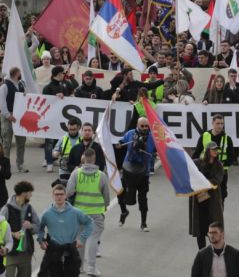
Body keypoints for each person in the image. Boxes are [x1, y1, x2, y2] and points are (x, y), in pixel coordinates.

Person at [66, 148, 110, 276]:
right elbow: (106, 195)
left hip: (79, 212)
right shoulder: (101, 175)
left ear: (83, 158)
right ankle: (91, 267)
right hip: (96, 212)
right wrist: (105, 205)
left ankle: (78, 266)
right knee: (93, 239)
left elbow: (69, 192)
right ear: (94, 159)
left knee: (80, 238)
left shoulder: (76, 173)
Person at [37, 184, 93, 277]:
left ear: (66, 195)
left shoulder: (76, 212)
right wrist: (41, 240)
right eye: (56, 194)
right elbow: (39, 227)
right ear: (53, 196)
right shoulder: (46, 213)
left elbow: (89, 223)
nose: (59, 197)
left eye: (61, 194)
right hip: (53, 252)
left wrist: (82, 238)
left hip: (71, 251)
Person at [117, 116, 156, 231]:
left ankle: (143, 223)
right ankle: (124, 212)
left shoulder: (152, 137)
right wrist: (119, 144)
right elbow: (121, 142)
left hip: (143, 171)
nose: (144, 128)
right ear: (137, 126)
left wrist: (156, 153)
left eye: (146, 126)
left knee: (143, 197)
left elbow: (156, 150)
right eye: (142, 126)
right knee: (121, 193)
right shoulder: (130, 134)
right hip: (128, 169)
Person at [0, 181, 40, 277]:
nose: (31, 195)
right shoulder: (7, 209)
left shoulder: (30, 208)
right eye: (30, 193)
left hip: (26, 254)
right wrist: (13, 234)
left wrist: (31, 226)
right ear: (24, 193)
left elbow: (38, 226)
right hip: (10, 253)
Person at [192, 114, 235, 202]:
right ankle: (204, 215)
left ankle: (219, 214)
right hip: (205, 171)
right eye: (218, 123)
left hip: (221, 172)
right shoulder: (205, 136)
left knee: (221, 196)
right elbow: (197, 153)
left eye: (222, 124)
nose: (220, 126)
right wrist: (192, 167)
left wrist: (223, 164)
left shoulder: (227, 139)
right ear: (212, 123)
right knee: (203, 197)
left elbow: (232, 157)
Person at [189, 143, 224, 250]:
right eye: (213, 149)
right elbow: (188, 169)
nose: (215, 151)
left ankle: (214, 250)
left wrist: (202, 181)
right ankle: (202, 252)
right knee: (200, 228)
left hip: (212, 201)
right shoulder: (197, 163)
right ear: (207, 150)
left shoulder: (218, 165)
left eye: (216, 149)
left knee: (213, 227)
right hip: (199, 200)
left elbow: (217, 181)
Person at [0, 67, 28, 173]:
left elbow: (25, 99)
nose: (21, 74)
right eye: (20, 72)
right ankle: (5, 165)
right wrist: (7, 115)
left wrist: (25, 95)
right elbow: (1, 102)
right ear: (16, 73)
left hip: (19, 118)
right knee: (7, 142)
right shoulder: (5, 86)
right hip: (8, 117)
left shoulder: (21, 84)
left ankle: (20, 164)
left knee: (21, 142)